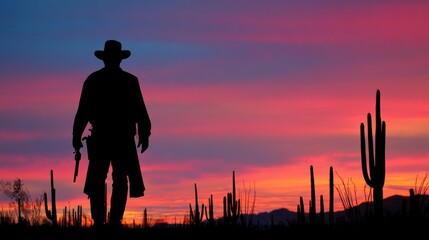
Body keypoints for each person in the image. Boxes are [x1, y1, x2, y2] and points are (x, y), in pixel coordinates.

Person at [72, 40, 151, 228]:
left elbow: (82, 111)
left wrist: (76, 136)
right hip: (118, 137)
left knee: (104, 179)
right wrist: (144, 134)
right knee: (114, 179)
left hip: (105, 137)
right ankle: (110, 221)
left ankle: (105, 221)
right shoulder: (129, 81)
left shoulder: (94, 80)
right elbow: (141, 111)